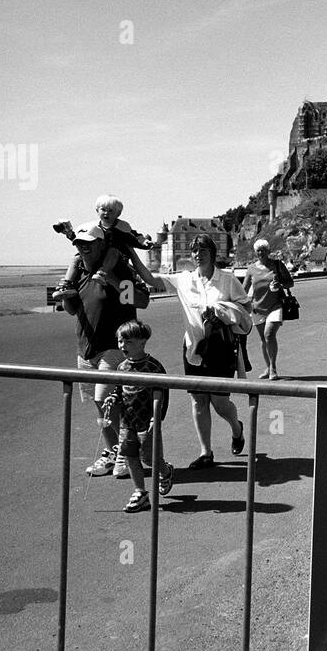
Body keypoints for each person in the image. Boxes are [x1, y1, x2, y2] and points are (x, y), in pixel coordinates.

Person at [135, 233, 248, 469]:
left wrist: (221, 309)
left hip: (221, 349)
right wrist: (129, 253)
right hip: (193, 349)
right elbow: (150, 278)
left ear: (213, 253)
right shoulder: (184, 280)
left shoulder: (227, 280)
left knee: (219, 403)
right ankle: (206, 452)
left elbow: (246, 307)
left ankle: (236, 428)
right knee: (198, 401)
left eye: (203, 250)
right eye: (194, 251)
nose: (197, 255)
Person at [72, 198, 143, 479]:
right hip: (86, 349)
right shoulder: (79, 269)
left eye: (88, 243)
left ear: (101, 244)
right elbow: (73, 307)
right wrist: (65, 298)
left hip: (113, 348)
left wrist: (111, 280)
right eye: (79, 244)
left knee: (106, 402)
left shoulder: (120, 269)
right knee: (99, 407)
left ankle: (125, 454)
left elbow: (137, 300)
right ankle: (113, 452)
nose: (83, 248)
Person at [100, 321, 175, 512]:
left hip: (148, 421)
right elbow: (119, 389)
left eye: (128, 342)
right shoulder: (122, 367)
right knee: (129, 455)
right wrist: (112, 398)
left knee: (150, 459)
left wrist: (156, 419)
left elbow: (162, 395)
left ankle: (165, 471)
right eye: (120, 342)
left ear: (142, 342)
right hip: (127, 421)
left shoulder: (154, 367)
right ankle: (140, 492)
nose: (123, 346)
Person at [244, 238, 293, 380]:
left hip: (275, 306)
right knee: (263, 339)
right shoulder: (251, 269)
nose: (261, 253)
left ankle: (273, 368)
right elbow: (244, 289)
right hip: (257, 307)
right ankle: (267, 367)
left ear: (268, 251)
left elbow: (290, 282)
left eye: (264, 250)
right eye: (258, 250)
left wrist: (281, 284)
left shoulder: (277, 265)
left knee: (269, 335)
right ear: (255, 252)